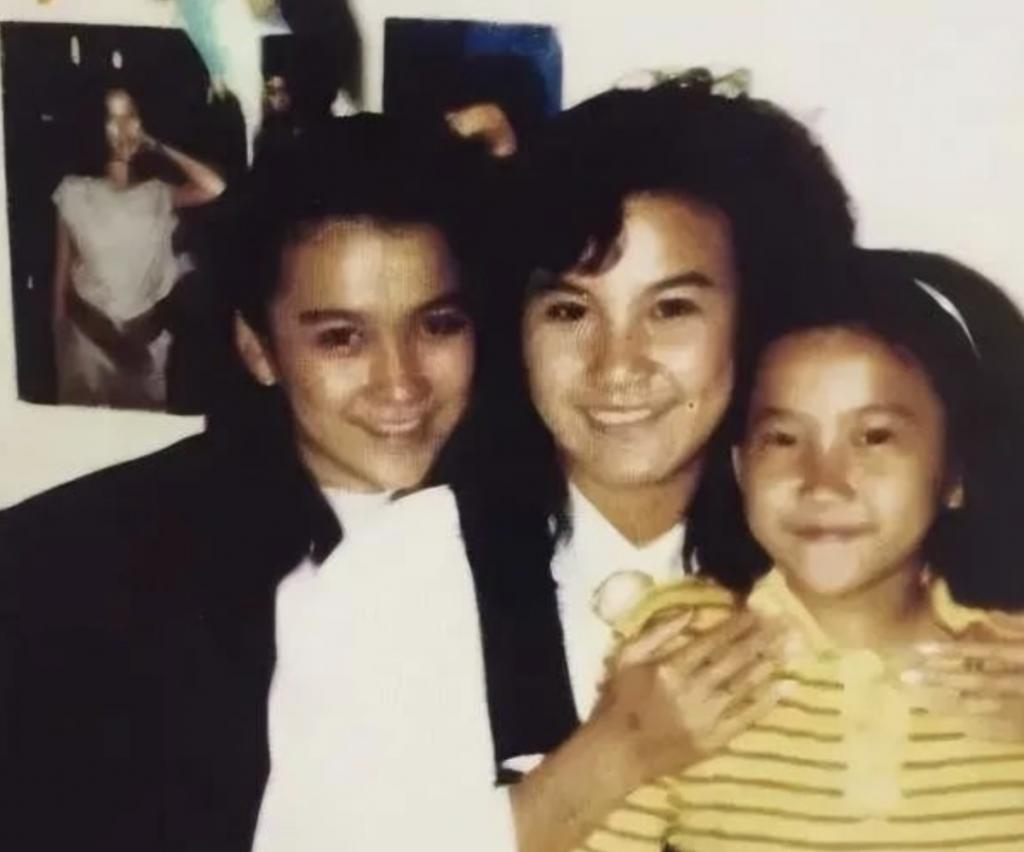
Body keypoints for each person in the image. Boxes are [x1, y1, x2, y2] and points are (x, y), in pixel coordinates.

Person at [0, 112, 498, 852]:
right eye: (342, 338)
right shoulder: (67, 569)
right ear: (258, 349)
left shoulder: (527, 543)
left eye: (437, 325)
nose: (401, 384)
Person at [453, 73, 859, 852]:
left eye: (671, 309)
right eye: (570, 310)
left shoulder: (855, 565)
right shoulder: (400, 579)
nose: (617, 366)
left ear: (756, 319)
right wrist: (612, 757)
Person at [577, 248, 1024, 851]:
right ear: (741, 468)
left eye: (874, 437)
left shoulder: (1009, 663)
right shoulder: (683, 655)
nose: (823, 482)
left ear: (954, 474)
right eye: (784, 438)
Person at [51, 86, 226, 408]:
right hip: (87, 344)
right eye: (112, 118)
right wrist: (59, 339)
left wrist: (155, 144)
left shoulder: (157, 193)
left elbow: (214, 187)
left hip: (145, 349)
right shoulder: (74, 191)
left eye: (129, 116)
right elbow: (61, 274)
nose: (122, 128)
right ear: (96, 125)